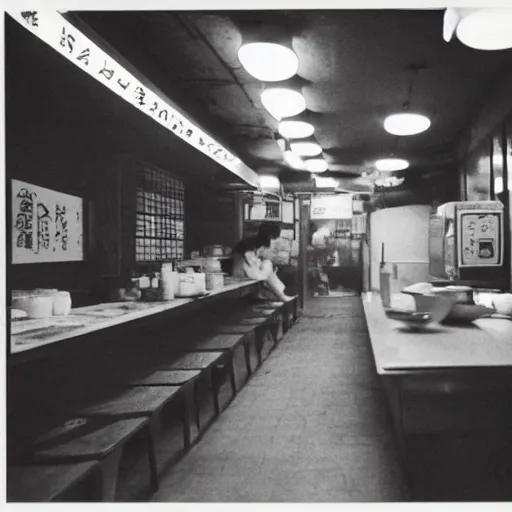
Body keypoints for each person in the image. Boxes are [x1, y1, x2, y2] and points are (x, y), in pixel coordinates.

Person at [231, 222, 294, 302]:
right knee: (268, 267)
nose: (272, 240)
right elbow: (246, 263)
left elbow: (255, 260)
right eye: (272, 237)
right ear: (268, 235)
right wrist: (262, 265)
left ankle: (282, 294)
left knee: (269, 269)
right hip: (242, 271)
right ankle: (281, 295)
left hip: (248, 269)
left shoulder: (255, 243)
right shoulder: (248, 244)